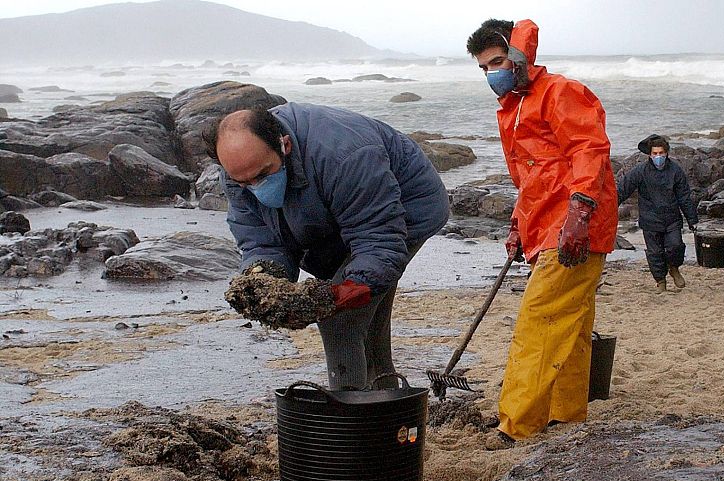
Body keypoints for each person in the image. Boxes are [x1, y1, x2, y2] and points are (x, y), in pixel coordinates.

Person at [204, 104, 449, 390]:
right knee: (365, 322)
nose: (255, 187)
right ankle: (383, 402)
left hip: (405, 210)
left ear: (285, 144)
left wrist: (337, 296)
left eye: (263, 174)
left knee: (341, 319)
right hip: (330, 217)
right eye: (244, 182)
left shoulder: (343, 154)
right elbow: (261, 240)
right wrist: (262, 279)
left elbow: (378, 240)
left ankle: (349, 418)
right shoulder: (239, 172)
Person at [466, 19, 618, 444]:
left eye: (496, 61)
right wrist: (518, 224)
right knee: (571, 318)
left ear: (518, 55)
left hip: (573, 224)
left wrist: (580, 214)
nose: (491, 73)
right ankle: (565, 412)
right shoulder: (512, 109)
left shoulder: (561, 92)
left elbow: (589, 151)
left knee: (541, 318)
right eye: (483, 68)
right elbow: (529, 178)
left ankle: (517, 424)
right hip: (546, 221)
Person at [617, 134, 699, 294]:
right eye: (655, 154)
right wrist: (610, 208)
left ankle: (674, 268)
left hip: (672, 218)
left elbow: (684, 197)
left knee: (676, 246)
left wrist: (692, 219)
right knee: (655, 253)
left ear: (667, 153)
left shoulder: (676, 170)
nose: (658, 156)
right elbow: (623, 189)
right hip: (650, 220)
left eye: (661, 153)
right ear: (650, 154)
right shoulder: (640, 171)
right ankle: (660, 281)